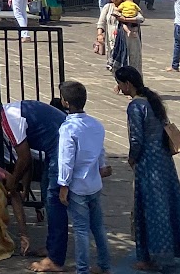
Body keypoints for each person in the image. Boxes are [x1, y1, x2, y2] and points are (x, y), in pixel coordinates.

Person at [0, 94, 67, 272]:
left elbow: (24, 158)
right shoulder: (10, 116)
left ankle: (56, 258)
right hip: (55, 146)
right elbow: (26, 161)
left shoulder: (10, 121)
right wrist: (26, 187)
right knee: (47, 194)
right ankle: (52, 247)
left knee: (53, 201)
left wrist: (12, 182)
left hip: (61, 147)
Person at [114, 66, 180, 270]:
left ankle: (150, 257)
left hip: (148, 163)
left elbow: (136, 139)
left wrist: (132, 159)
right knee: (166, 204)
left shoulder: (135, 107)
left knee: (150, 208)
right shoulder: (153, 101)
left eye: (120, 84)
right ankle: (170, 251)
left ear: (127, 84)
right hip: (163, 160)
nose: (119, 88)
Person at [55, 81, 112, 274]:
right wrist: (102, 167)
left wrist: (63, 184)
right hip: (94, 183)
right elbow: (100, 151)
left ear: (65, 102)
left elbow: (66, 159)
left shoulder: (68, 128)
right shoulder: (96, 124)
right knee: (98, 227)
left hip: (77, 185)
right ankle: (104, 265)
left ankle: (82, 269)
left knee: (80, 229)